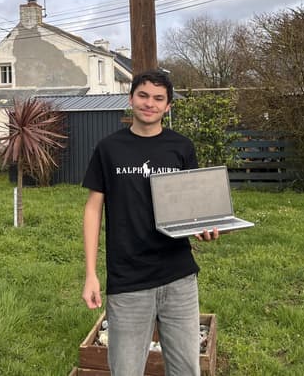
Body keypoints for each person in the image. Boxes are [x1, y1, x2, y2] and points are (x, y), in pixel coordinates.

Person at [82, 69, 219, 376]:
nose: (150, 104)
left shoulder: (181, 147)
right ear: (131, 99)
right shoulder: (109, 148)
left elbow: (192, 206)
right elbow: (93, 209)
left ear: (168, 106)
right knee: (126, 370)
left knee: (186, 370)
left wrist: (204, 227)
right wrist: (90, 274)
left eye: (159, 98)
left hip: (178, 276)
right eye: (143, 95)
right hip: (128, 279)